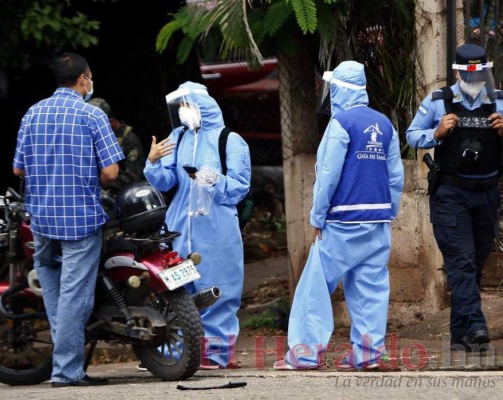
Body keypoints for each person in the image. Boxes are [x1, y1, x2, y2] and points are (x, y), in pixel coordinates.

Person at [273, 61, 404, 370]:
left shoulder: (341, 124)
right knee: (370, 289)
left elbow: (328, 175)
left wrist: (317, 218)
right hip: (377, 223)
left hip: (342, 223)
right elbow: (395, 176)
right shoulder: (386, 124)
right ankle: (368, 356)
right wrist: (389, 211)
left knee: (314, 287)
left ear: (339, 90)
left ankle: (304, 354)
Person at [12, 52, 124, 386]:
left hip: (42, 219)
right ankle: (66, 372)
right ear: (83, 78)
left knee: (55, 292)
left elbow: (18, 168)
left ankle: (66, 363)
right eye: (90, 77)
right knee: (75, 296)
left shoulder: (32, 114)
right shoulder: (92, 116)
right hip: (80, 221)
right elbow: (111, 172)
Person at [144, 81, 251, 369]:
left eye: (186, 105)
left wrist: (212, 179)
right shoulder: (176, 137)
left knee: (219, 289)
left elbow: (239, 188)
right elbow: (165, 181)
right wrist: (153, 162)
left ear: (201, 106)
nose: (181, 112)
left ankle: (216, 354)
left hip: (216, 228)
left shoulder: (229, 140)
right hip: (179, 226)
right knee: (177, 292)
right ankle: (176, 353)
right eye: (179, 106)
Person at [406, 43, 503, 352]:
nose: (473, 79)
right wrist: (436, 133)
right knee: (461, 262)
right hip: (451, 194)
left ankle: (460, 335)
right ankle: (476, 325)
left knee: (473, 263)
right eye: (467, 73)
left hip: (487, 194)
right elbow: (410, 134)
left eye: (479, 73)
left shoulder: (499, 101)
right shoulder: (438, 101)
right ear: (456, 72)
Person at [88, 98, 145, 193]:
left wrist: (102, 180)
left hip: (122, 195)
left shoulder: (129, 139)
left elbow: (134, 176)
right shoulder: (93, 139)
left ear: (109, 122)